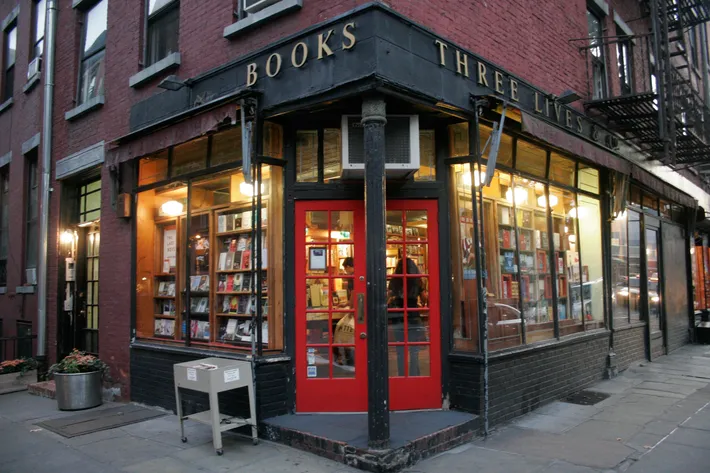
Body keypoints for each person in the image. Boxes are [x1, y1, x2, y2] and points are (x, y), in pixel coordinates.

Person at [387, 257, 427, 376]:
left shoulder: (395, 280)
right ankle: (415, 374)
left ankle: (402, 375)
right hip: (413, 316)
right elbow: (424, 298)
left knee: (400, 350)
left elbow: (388, 296)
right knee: (414, 350)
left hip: (398, 316)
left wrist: (392, 299)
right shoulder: (417, 280)